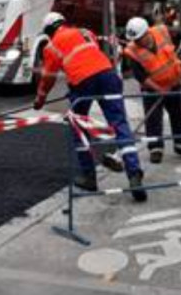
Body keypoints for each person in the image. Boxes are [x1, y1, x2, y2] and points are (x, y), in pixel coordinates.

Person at [34, 12, 147, 202]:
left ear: (49, 30)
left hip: (83, 82)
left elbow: (48, 77)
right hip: (108, 76)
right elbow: (88, 55)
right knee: (119, 124)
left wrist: (40, 98)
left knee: (78, 126)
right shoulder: (84, 32)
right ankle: (134, 173)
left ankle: (89, 177)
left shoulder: (51, 45)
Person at [123, 17, 181, 165]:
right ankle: (155, 149)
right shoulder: (132, 52)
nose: (138, 42)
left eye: (140, 38)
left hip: (173, 83)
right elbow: (141, 77)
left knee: (177, 115)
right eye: (135, 40)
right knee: (153, 120)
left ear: (147, 32)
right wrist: (159, 89)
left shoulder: (161, 32)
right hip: (152, 89)